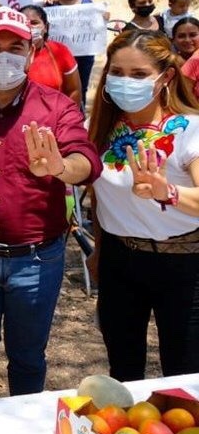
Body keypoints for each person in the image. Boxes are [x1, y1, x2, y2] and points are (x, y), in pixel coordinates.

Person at [0, 7, 102, 401]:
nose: (4, 56)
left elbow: (86, 161)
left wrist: (62, 167)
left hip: (37, 259)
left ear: (31, 52)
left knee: (27, 357)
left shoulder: (57, 107)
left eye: (16, 46)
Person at [86, 29, 199, 382]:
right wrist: (99, 251)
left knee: (185, 376)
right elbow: (103, 200)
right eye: (117, 73)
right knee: (123, 372)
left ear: (165, 77)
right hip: (120, 264)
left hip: (183, 268)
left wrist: (169, 192)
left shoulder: (190, 129)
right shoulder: (104, 128)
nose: (125, 82)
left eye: (138, 75)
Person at [45, 0, 100, 95]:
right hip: (58, 55)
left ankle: (78, 113)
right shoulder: (51, 4)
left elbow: (96, 23)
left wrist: (103, 16)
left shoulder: (87, 3)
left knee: (81, 87)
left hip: (83, 56)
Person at [21, 5, 82, 104]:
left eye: (34, 23)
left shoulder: (60, 51)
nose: (29, 27)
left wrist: (69, 118)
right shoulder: (10, 54)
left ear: (46, 27)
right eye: (25, 24)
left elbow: (74, 90)